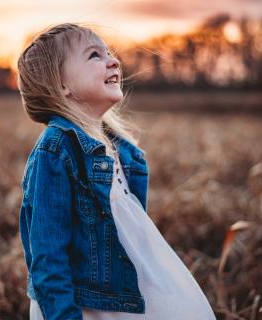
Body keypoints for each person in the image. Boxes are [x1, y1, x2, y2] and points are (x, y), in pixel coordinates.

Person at [17, 23, 217, 320]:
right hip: (91, 305)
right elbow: (47, 258)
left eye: (109, 52)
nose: (113, 60)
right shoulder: (56, 150)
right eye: (94, 55)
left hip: (122, 290)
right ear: (61, 85)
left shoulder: (120, 149)